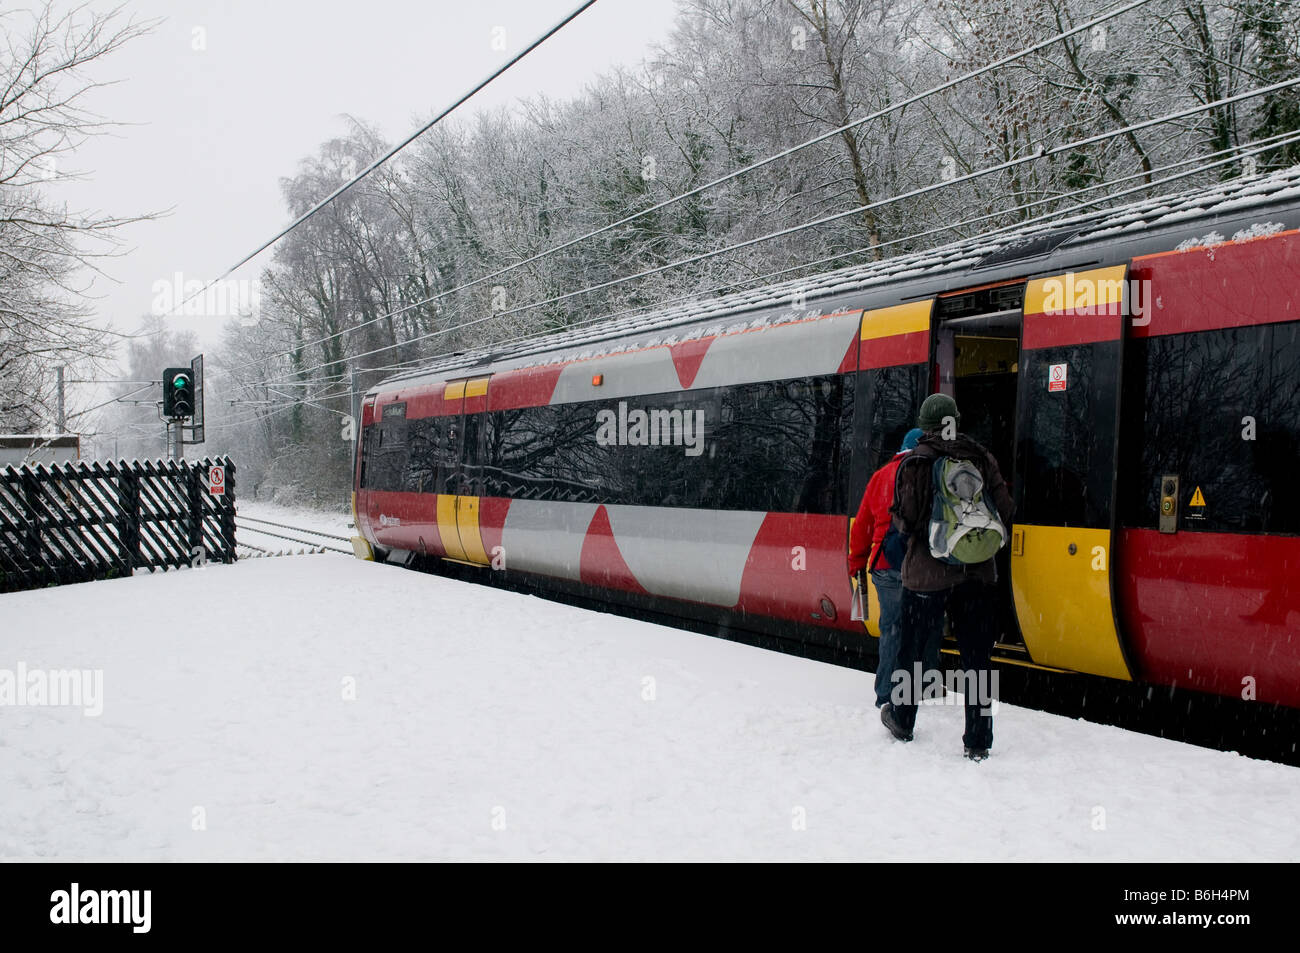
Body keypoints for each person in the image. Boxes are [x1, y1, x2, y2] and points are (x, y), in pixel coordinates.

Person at [881, 393, 1014, 761]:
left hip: (927, 576)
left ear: (924, 425)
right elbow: (1004, 509)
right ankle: (978, 739)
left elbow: (906, 519)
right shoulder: (981, 457)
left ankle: (903, 719)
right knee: (976, 658)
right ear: (956, 420)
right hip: (977, 575)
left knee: (912, 651)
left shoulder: (917, 462)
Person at [847, 428, 939, 708]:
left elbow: (862, 524)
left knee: (892, 629)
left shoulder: (881, 475)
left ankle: (886, 692)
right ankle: (924, 686)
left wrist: (857, 562)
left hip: (885, 563)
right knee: (926, 627)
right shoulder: (933, 472)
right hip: (923, 563)